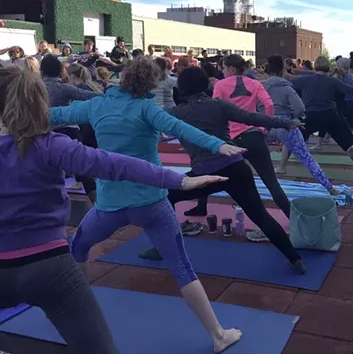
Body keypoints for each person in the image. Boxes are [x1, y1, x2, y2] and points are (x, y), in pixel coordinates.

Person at [0, 66, 241, 354]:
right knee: (182, 268)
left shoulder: (96, 106)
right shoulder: (145, 110)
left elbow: (58, 116)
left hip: (109, 207)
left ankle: (67, 307)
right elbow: (175, 131)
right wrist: (213, 149)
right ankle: (218, 334)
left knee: (79, 247)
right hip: (149, 203)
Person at [158, 67, 308, 269]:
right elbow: (252, 117)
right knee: (261, 216)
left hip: (205, 174)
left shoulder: (177, 113)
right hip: (236, 168)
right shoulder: (218, 105)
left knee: (165, 197)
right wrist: (286, 123)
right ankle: (295, 259)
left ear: (182, 89)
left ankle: (162, 248)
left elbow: (145, 117)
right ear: (206, 85)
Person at [211, 54, 296, 215]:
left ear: (231, 68)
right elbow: (269, 104)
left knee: (214, 175)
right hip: (254, 136)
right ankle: (294, 220)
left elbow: (215, 110)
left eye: (222, 68)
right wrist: (265, 129)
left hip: (232, 141)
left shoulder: (220, 86)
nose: (221, 72)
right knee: (272, 184)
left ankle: (205, 208)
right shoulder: (255, 83)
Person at [291, 56, 353, 176]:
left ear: (316, 66)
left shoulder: (306, 79)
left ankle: (283, 165)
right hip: (331, 115)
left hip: (314, 116)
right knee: (347, 144)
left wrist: (263, 82)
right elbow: (350, 90)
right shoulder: (331, 80)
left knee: (294, 135)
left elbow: (284, 82)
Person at [263, 54, 338, 195]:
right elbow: (300, 108)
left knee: (252, 155)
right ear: (282, 70)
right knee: (306, 157)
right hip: (286, 124)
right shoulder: (287, 88)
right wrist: (291, 117)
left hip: (266, 124)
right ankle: (329, 187)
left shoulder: (261, 87)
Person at [65, 64, 104, 200]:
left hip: (86, 127)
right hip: (94, 125)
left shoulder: (78, 89)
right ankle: (85, 180)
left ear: (74, 76)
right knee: (90, 154)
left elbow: (76, 110)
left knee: (82, 157)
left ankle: (86, 184)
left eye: (68, 76)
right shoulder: (92, 86)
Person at [40, 55, 101, 140]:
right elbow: (90, 95)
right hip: (68, 133)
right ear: (60, 72)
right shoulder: (65, 88)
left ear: (41, 72)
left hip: (43, 133)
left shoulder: (32, 89)